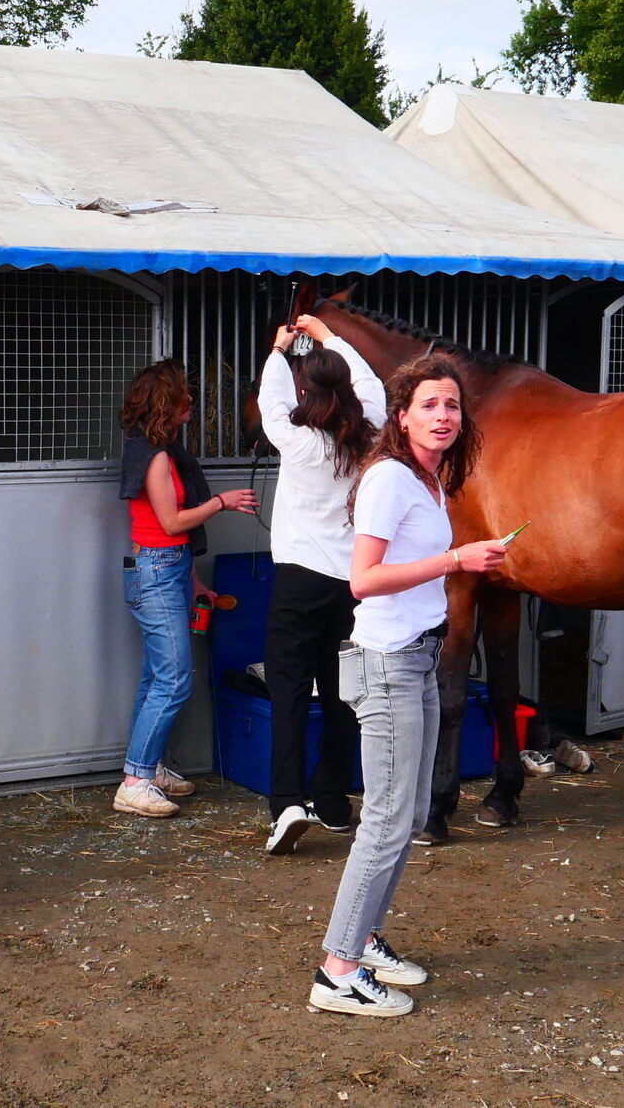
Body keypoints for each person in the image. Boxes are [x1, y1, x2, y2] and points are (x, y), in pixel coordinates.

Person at [310, 356, 509, 1018]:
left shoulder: (428, 480)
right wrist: (456, 560)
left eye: (452, 405)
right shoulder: (390, 479)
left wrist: (462, 560)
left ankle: (363, 940)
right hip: (388, 663)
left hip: (419, 658)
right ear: (401, 417)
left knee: (411, 813)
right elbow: (363, 580)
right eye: (429, 405)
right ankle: (337, 972)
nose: (443, 416)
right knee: (387, 820)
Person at [256, 312, 387, 854]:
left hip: (298, 581)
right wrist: (328, 336)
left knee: (288, 692)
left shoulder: (297, 440)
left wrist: (279, 350)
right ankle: (333, 801)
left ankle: (287, 803)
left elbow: (270, 400)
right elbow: (372, 384)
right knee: (342, 697)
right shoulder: (371, 431)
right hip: (351, 584)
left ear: (306, 391)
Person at [114, 360, 258, 818]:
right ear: (164, 401)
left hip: (168, 568)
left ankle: (149, 768)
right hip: (154, 571)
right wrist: (221, 502)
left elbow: (172, 536)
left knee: (155, 677)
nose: (191, 399)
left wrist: (193, 580)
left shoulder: (164, 449)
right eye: (182, 392)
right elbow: (172, 521)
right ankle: (134, 782)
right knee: (174, 679)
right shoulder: (154, 456)